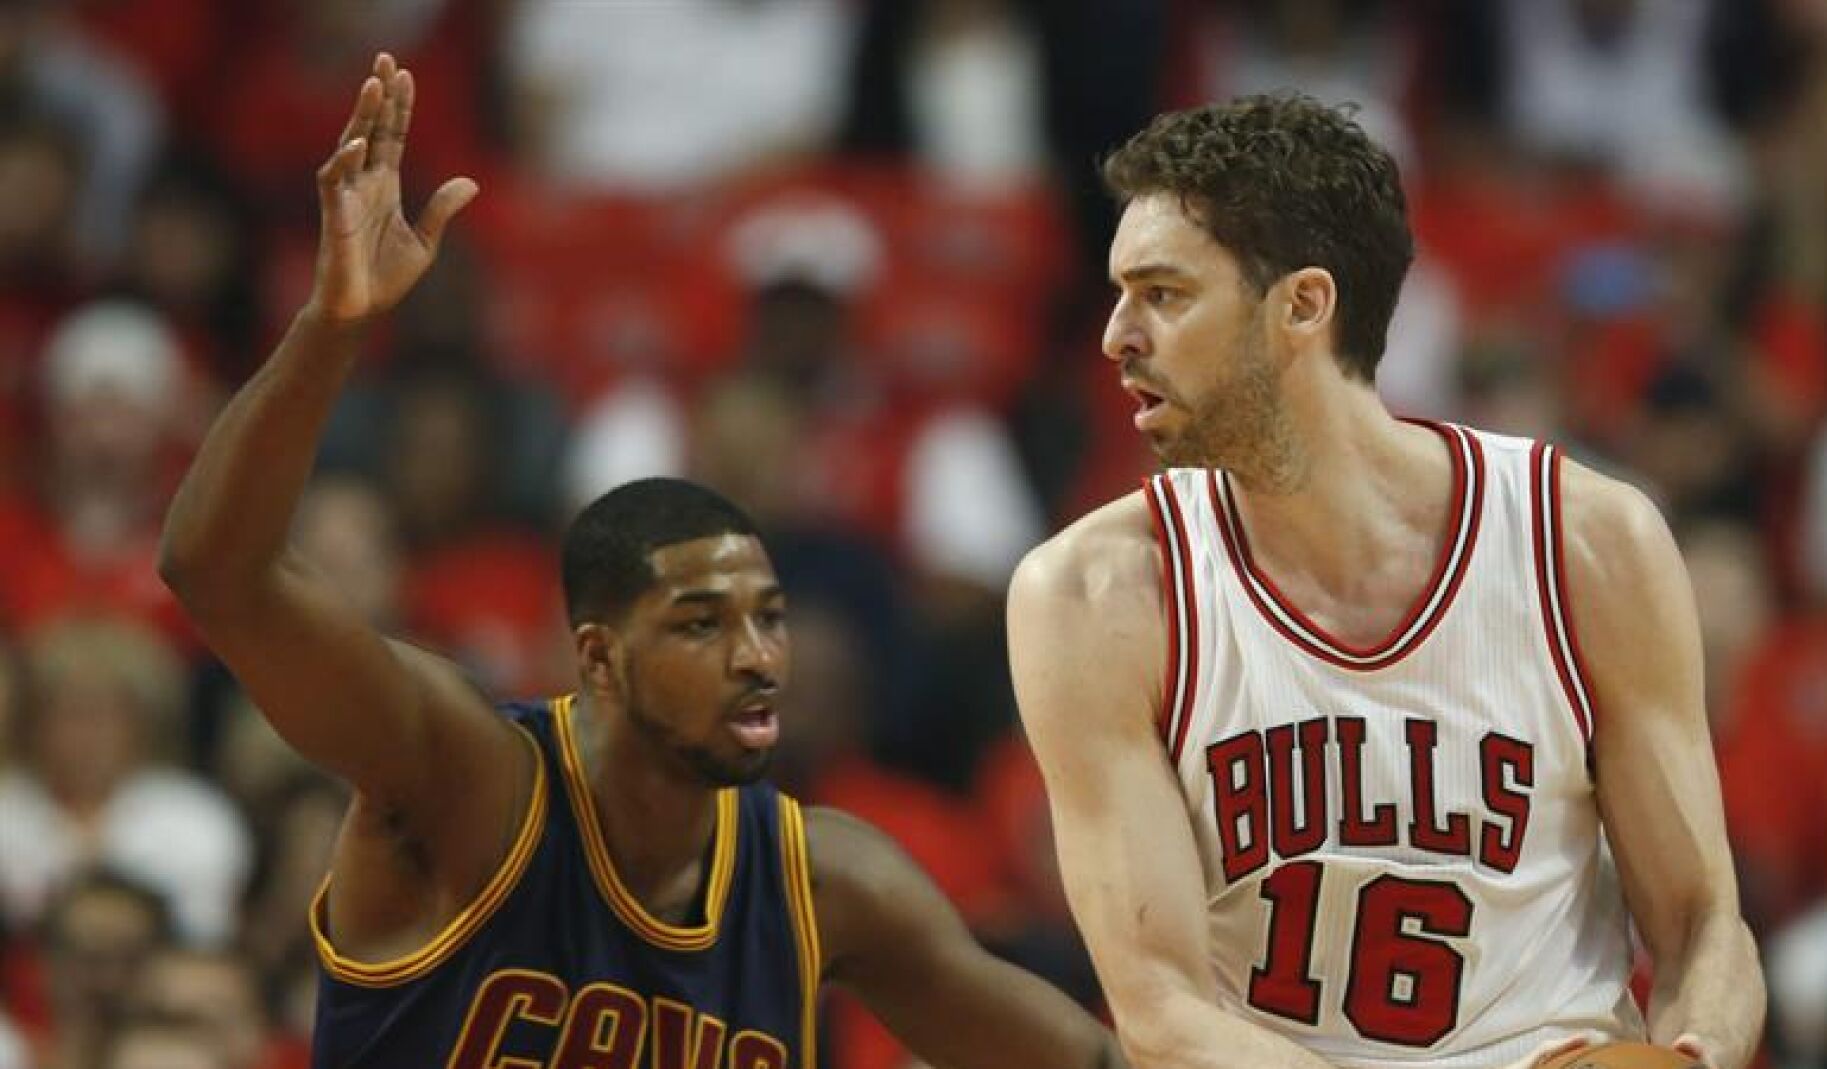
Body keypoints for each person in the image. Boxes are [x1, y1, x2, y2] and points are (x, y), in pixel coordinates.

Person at [158, 53, 1123, 1069]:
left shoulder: (830, 882)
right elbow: (217, 571)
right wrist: (330, 329)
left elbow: (1084, 1060)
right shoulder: (464, 777)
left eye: (769, 617)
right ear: (599, 656)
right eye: (701, 622)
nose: (757, 656)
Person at [1005, 93, 1764, 1069]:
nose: (1115, 335)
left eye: (1163, 293)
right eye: (1118, 293)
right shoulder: (1089, 595)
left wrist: (1694, 1053)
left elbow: (1706, 924)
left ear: (1303, 306)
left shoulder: (1586, 542)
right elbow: (1158, 1007)